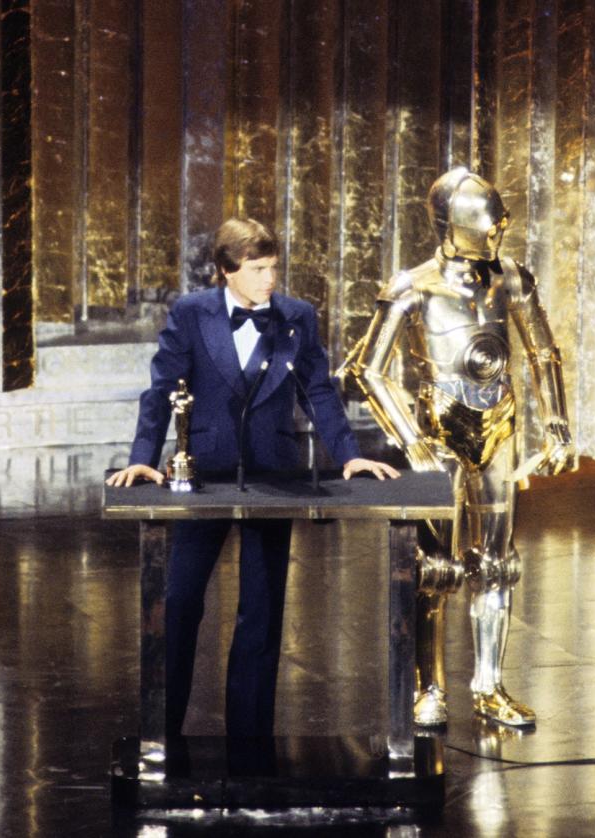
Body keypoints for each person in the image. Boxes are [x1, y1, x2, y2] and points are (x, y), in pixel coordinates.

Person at [106, 218, 398, 737]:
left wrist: (349, 454)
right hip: (202, 478)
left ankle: (250, 733)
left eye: (273, 269)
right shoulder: (192, 313)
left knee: (261, 610)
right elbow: (160, 391)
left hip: (273, 477)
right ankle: (163, 727)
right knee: (180, 601)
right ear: (225, 271)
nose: (269, 280)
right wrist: (142, 454)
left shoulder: (297, 317)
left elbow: (320, 391)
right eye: (258, 269)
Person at [340, 169, 572, 727]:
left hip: (498, 430)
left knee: (496, 564)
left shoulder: (511, 278)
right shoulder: (413, 286)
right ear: (453, 224)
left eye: (498, 216)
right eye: (487, 218)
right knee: (436, 567)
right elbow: (366, 369)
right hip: (439, 434)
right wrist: (411, 438)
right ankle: (430, 688)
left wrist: (558, 423)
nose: (499, 228)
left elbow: (542, 352)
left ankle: (490, 685)